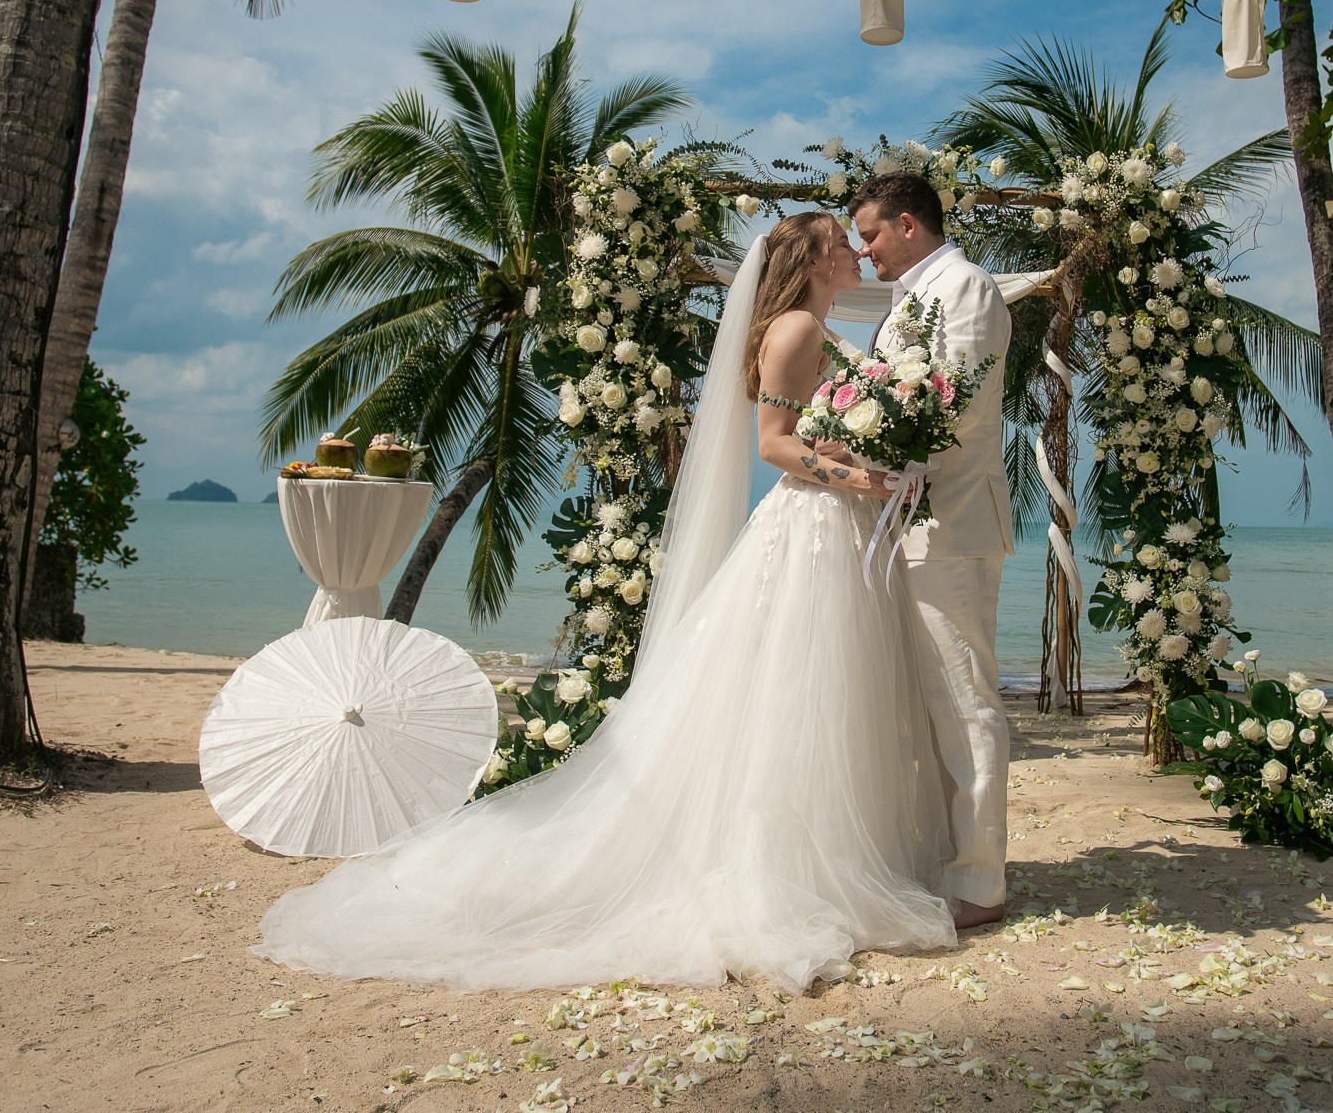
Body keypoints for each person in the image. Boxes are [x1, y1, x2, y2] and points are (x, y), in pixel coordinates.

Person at [256, 212, 956, 992]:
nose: (856, 251)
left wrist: (865, 453)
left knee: (813, 697)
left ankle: (830, 851)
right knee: (797, 694)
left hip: (834, 528)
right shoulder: (794, 327)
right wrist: (853, 476)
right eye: (840, 240)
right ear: (811, 256)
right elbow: (774, 442)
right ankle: (789, 863)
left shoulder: (813, 325)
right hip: (814, 530)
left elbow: (813, 431)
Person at [847, 171, 1015, 929]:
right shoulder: (909, 295)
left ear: (908, 224)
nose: (866, 249)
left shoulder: (966, 286)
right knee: (924, 704)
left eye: (873, 234)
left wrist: (864, 435)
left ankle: (981, 880)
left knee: (963, 698)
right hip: (906, 521)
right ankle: (944, 856)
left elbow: (960, 405)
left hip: (949, 523)